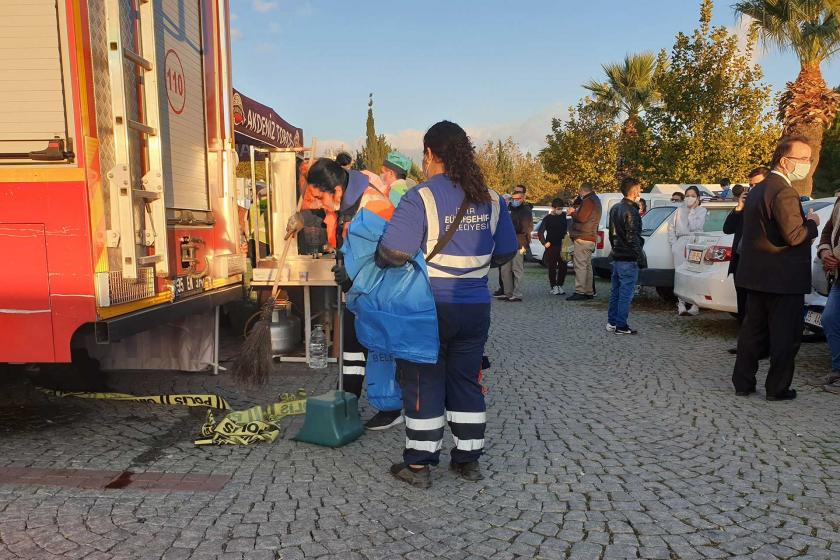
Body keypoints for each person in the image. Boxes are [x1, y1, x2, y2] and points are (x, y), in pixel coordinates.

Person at [375, 120, 517, 488]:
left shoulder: (421, 197)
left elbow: (393, 251)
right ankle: (468, 459)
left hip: (428, 308)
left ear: (429, 154)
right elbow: (505, 252)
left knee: (423, 380)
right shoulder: (492, 198)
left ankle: (419, 466)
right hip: (474, 308)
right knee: (466, 380)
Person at [304, 158, 403, 430]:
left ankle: (391, 407)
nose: (319, 204)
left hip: (380, 290)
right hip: (357, 291)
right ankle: (347, 399)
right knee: (351, 347)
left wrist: (354, 277)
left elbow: (390, 253)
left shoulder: (373, 205)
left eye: (320, 197)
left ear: (336, 190)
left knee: (380, 351)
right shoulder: (345, 201)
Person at [732, 136, 820, 401]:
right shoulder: (784, 191)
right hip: (783, 278)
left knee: (752, 333)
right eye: (804, 159)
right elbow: (794, 236)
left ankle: (743, 383)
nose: (808, 164)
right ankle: (777, 388)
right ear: (785, 161)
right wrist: (813, 223)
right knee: (785, 337)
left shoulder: (758, 188)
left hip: (756, 275)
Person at [723, 167, 770, 331]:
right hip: (740, 261)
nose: (753, 189)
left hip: (760, 264)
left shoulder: (770, 205)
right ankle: (744, 344)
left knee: (758, 308)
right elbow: (727, 229)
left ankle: (759, 345)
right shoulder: (745, 205)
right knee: (742, 305)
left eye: (757, 185)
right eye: (751, 185)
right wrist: (739, 207)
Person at [607, 178, 645, 335]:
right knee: (625, 294)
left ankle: (612, 322)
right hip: (628, 258)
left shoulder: (615, 208)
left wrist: (616, 249)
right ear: (635, 191)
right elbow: (632, 237)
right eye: (640, 190)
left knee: (616, 291)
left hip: (617, 256)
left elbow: (612, 234)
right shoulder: (632, 211)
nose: (640, 193)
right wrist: (639, 256)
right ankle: (621, 325)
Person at [667, 185, 707, 316]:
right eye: (688, 195)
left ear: (698, 198)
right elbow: (671, 228)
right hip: (681, 242)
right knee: (680, 273)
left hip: (695, 242)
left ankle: (695, 305)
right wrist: (674, 244)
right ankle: (681, 303)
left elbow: (696, 226)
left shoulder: (701, 210)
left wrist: (692, 211)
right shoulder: (678, 211)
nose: (690, 198)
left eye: (693, 196)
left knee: (695, 273)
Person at [817, 197, 840, 394]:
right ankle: (838, 368)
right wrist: (825, 253)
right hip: (837, 276)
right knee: (830, 319)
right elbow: (827, 231)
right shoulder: (839, 200)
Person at [567, 184, 602, 301]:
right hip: (590, 236)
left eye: (579, 192)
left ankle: (580, 291)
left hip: (583, 236)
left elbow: (582, 218)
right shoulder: (596, 200)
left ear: (582, 191)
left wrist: (572, 212)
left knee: (580, 265)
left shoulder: (588, 201)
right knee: (587, 265)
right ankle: (588, 291)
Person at [497, 190, 532, 302]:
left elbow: (525, 228)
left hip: (520, 244)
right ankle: (508, 293)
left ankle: (517, 294)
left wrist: (509, 228)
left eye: (518, 199)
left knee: (517, 269)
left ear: (523, 199)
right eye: (513, 199)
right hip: (507, 244)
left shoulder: (526, 211)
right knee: (505, 270)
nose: (515, 201)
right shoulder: (509, 210)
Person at [539, 198, 569, 295]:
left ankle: (560, 285)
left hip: (563, 245)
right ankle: (553, 286)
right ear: (553, 208)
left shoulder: (564, 216)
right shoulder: (547, 218)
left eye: (561, 208)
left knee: (563, 266)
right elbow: (540, 232)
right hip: (551, 246)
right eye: (558, 208)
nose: (560, 210)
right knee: (552, 267)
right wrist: (544, 243)